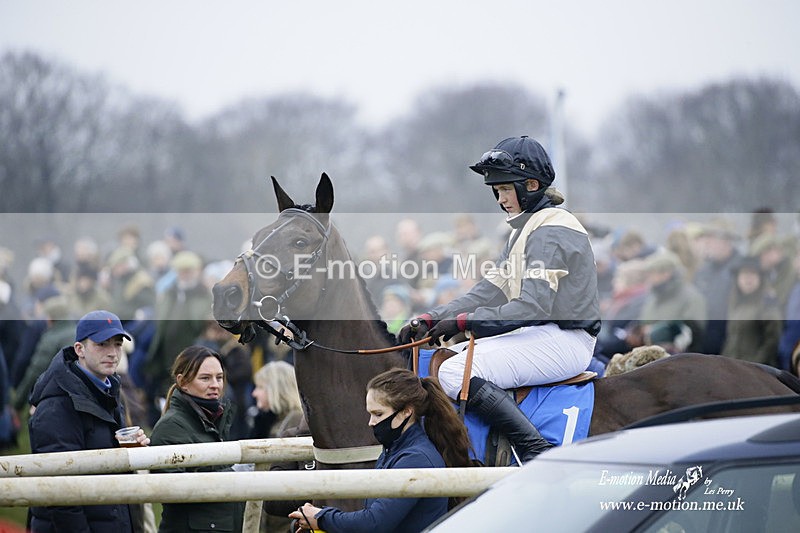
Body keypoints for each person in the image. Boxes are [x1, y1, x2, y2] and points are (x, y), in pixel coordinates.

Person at [399, 135, 601, 464]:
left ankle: (535, 449)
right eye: (497, 191)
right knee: (444, 359)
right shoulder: (525, 229)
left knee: (452, 374)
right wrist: (432, 318)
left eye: (506, 189)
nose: (500, 198)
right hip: (542, 334)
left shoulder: (550, 230)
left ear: (532, 185)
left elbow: (530, 308)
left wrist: (465, 322)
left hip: (565, 341)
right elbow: (487, 291)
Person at [289, 368, 472, 533]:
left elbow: (374, 524)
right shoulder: (395, 449)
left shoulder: (416, 458)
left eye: (378, 414)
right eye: (370, 414)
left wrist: (320, 518)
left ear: (406, 412)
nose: (371, 422)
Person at [27, 310, 149, 532]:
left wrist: (129, 451)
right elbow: (60, 495)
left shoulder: (108, 390)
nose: (113, 353)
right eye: (102, 344)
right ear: (79, 349)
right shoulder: (57, 405)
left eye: (117, 344)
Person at [149, 345, 244, 533]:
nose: (215, 385)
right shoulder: (171, 426)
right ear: (183, 382)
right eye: (205, 378)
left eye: (219, 377)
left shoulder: (214, 418)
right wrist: (238, 476)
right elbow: (170, 489)